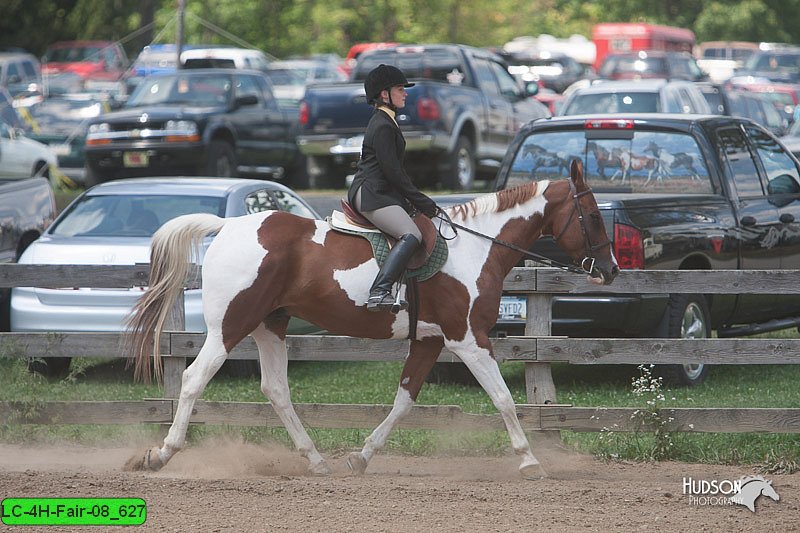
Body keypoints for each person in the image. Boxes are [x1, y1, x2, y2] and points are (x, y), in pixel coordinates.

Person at [347, 64, 439, 312]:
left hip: (378, 191)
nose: (405, 93)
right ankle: (379, 291)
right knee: (412, 235)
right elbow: (394, 173)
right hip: (371, 194)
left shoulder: (387, 121)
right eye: (400, 89)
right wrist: (423, 203)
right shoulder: (383, 126)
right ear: (384, 94)